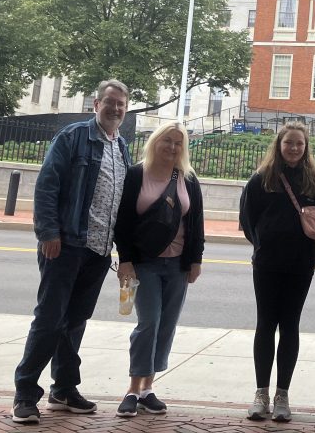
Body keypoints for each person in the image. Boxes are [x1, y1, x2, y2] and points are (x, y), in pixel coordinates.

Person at [12, 79, 133, 424]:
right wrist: (48, 232)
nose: (115, 109)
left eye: (121, 104)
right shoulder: (73, 137)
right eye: (110, 102)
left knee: (75, 322)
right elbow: (47, 185)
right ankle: (24, 393)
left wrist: (122, 252)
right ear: (96, 104)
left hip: (98, 250)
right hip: (65, 244)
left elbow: (119, 203)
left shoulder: (121, 146)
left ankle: (63, 389)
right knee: (50, 320)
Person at [113, 121, 205, 417]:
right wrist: (125, 259)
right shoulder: (137, 174)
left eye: (178, 143)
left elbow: (196, 222)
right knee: (148, 323)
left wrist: (195, 260)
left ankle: (148, 389)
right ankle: (131, 388)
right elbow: (124, 220)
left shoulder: (188, 179)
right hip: (144, 262)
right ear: (155, 142)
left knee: (166, 325)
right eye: (167, 141)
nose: (172, 147)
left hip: (178, 264)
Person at [239, 122, 315, 423]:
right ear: (279, 145)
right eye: (289, 143)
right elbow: (247, 220)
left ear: (306, 147)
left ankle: (282, 395)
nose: (293, 148)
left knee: (290, 325)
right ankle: (261, 393)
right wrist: (263, 244)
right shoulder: (261, 179)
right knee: (265, 324)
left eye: (299, 144)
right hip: (267, 264)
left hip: (301, 264)